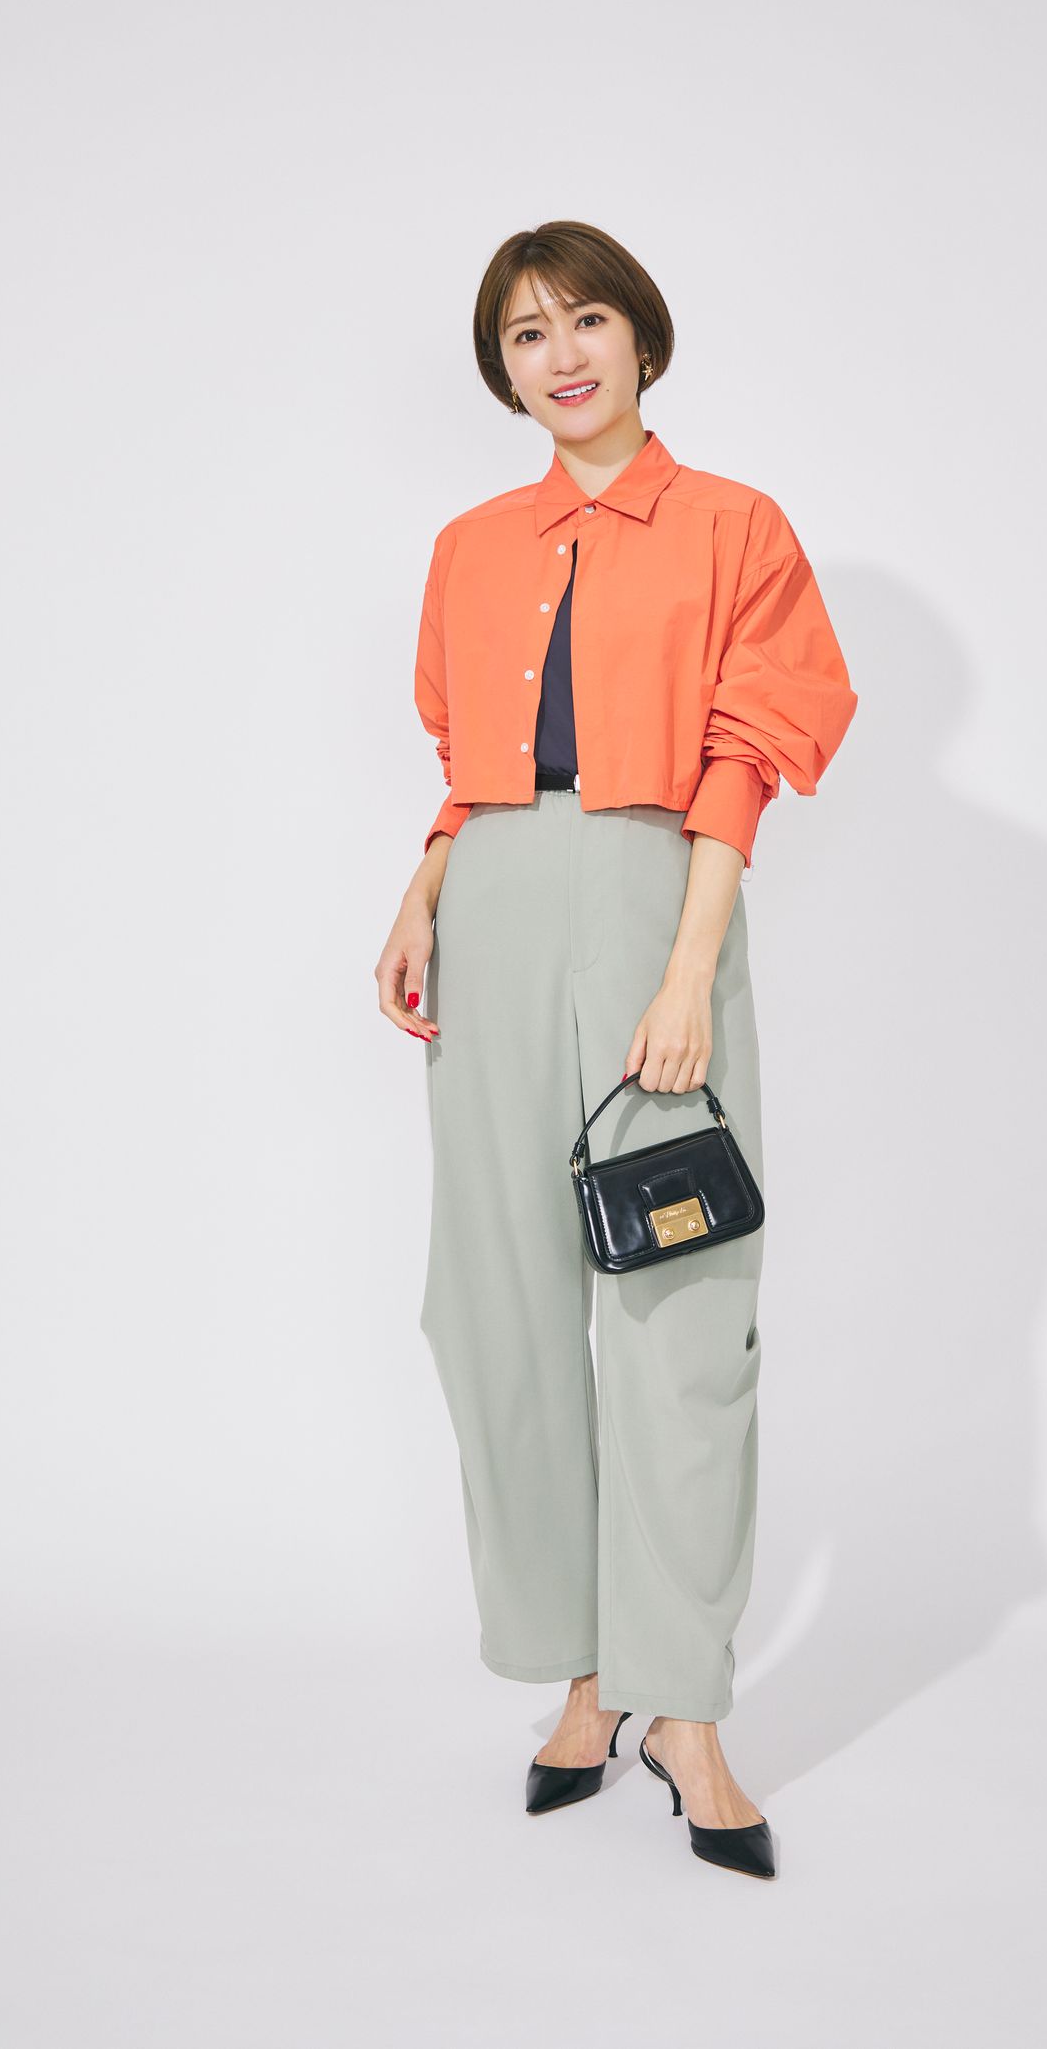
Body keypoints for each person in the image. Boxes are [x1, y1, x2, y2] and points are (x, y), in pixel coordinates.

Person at [374, 220, 858, 1881]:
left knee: (678, 1302)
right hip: (492, 905)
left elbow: (749, 750)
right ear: (502, 371)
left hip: (661, 897)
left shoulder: (735, 526)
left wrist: (688, 967)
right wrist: (422, 890)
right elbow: (469, 759)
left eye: (587, 320)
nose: (561, 354)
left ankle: (685, 1706)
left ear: (642, 338)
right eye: (526, 334)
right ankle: (584, 1674)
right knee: (496, 1302)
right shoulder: (468, 546)